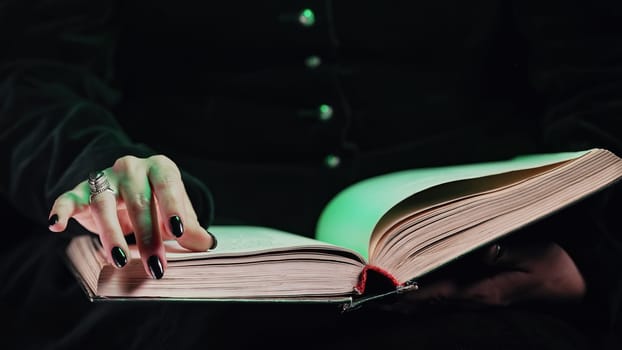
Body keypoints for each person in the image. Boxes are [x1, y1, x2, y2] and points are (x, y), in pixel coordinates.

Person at [1, 0, 621, 349]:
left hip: (481, 245)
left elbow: (600, 79)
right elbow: (36, 76)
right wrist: (94, 169)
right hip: (192, 255)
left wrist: (590, 251)